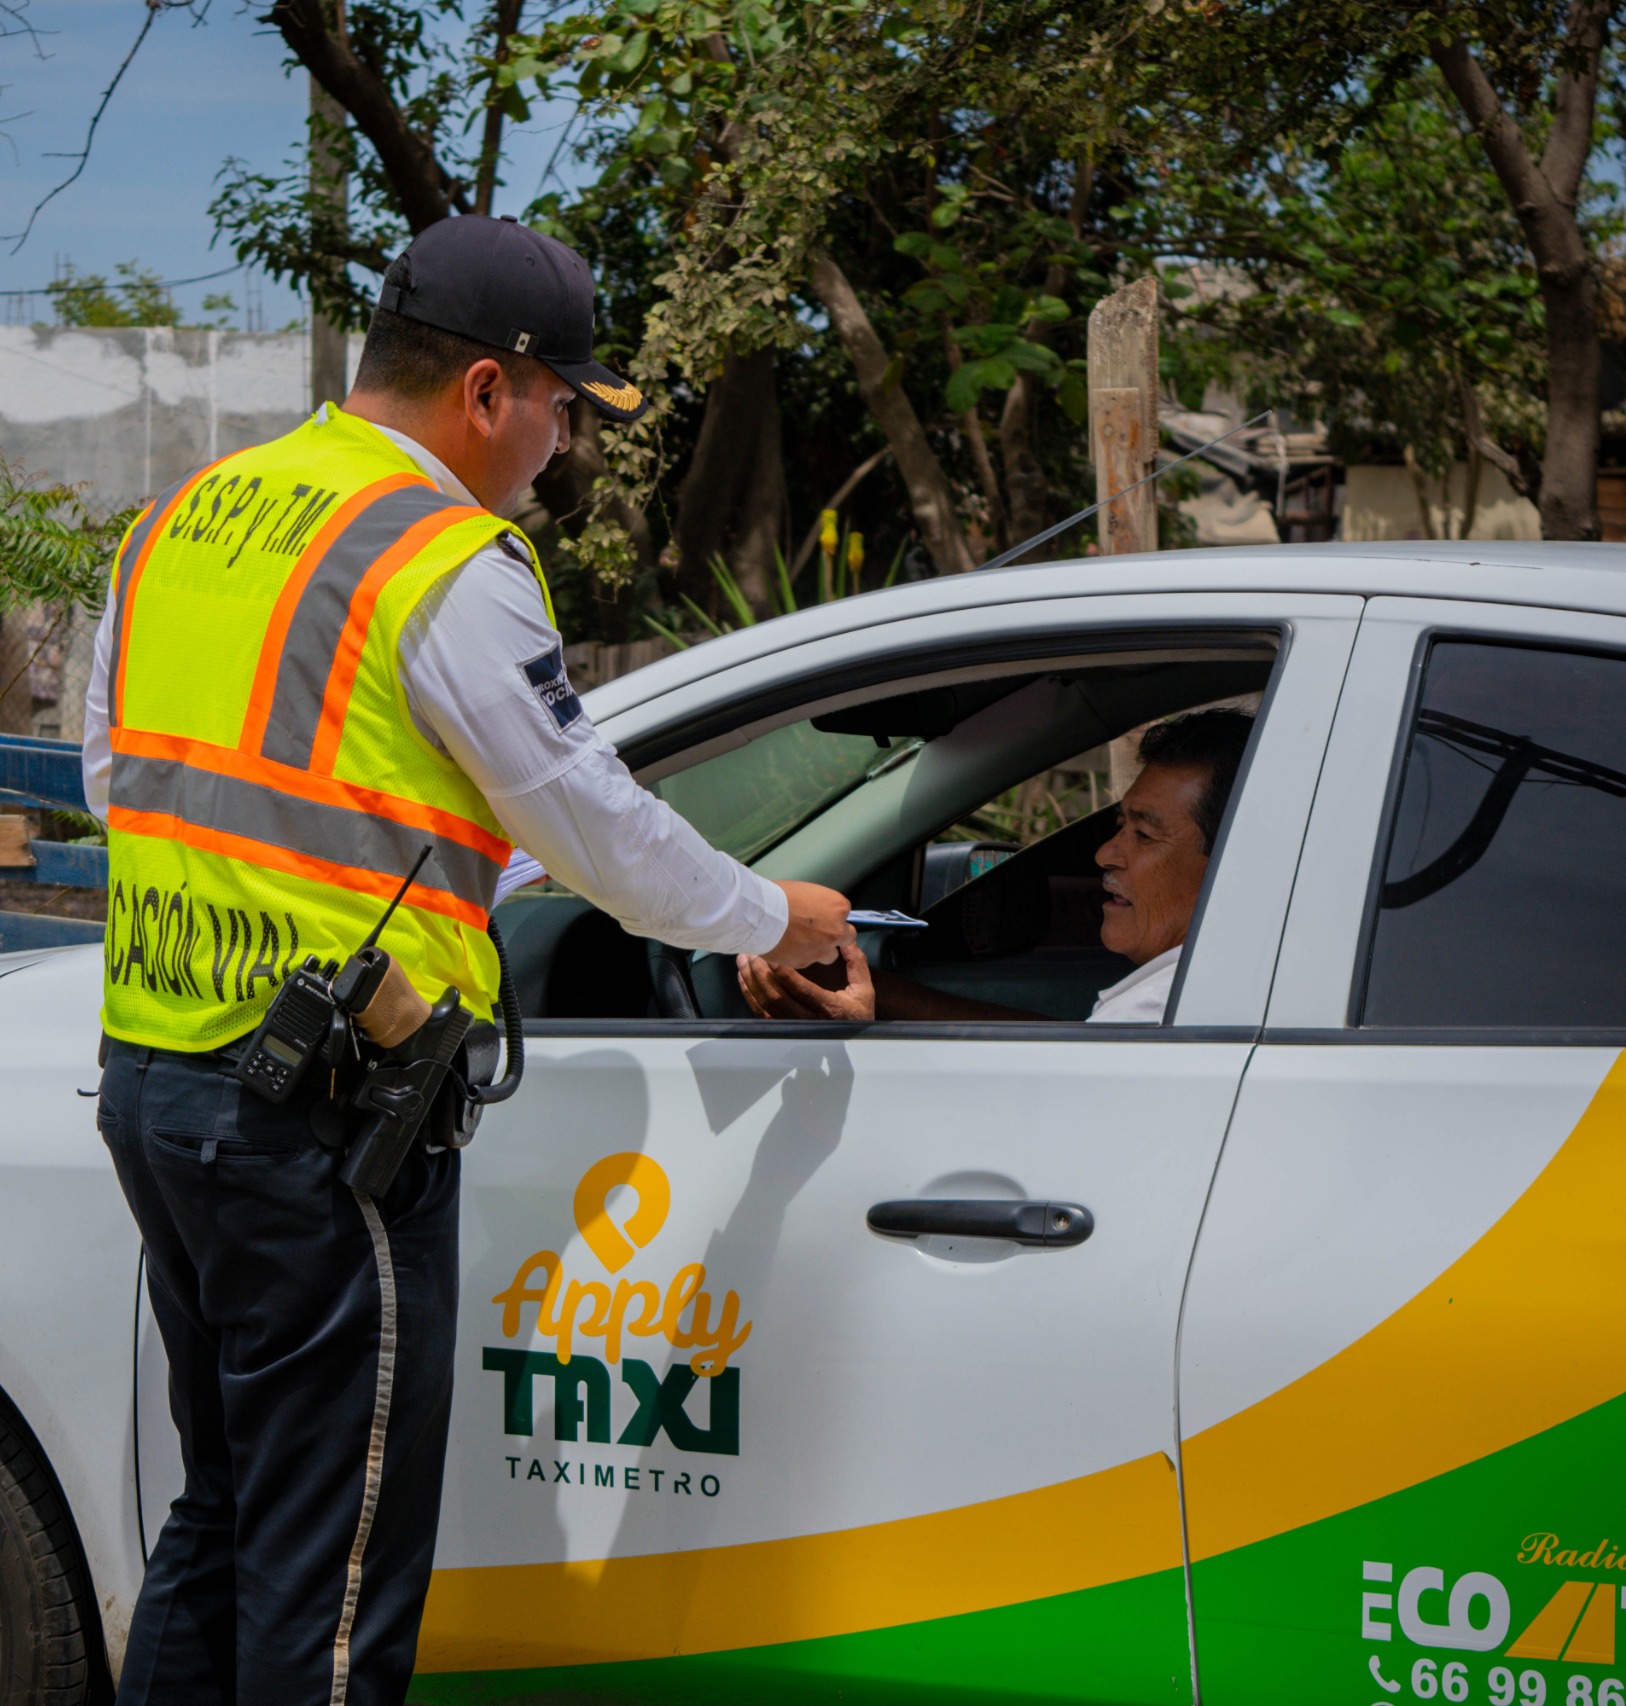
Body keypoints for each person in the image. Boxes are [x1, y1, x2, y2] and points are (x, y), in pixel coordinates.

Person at [81, 215, 854, 1706]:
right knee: (335, 1576)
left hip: (157, 1085)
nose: (561, 447)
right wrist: (778, 917)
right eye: (563, 408)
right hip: (324, 1127)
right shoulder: (443, 556)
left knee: (226, 1514)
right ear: (487, 392)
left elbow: (116, 782)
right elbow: (591, 827)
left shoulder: (182, 517)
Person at [737, 708, 1253, 1025]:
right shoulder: (1214, 989)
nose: (1105, 854)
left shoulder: (1163, 1015)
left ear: (1234, 862)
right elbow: (1061, 1052)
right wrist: (879, 997)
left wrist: (864, 1040)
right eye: (1119, 826)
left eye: (1143, 833)